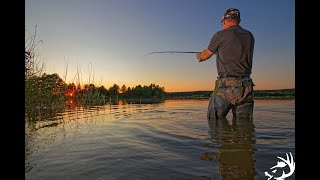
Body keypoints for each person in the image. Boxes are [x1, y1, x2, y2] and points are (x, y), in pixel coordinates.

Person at [196, 8, 255, 119]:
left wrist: (199, 55)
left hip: (227, 85)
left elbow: (205, 55)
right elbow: (234, 50)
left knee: (214, 121)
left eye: (222, 22)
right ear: (238, 20)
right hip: (247, 85)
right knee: (244, 127)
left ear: (224, 20)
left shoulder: (220, 35)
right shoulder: (249, 36)